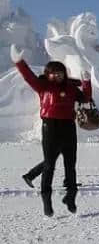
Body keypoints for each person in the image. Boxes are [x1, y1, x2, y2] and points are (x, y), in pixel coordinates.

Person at [11, 44, 91, 216]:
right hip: (50, 127)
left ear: (64, 74)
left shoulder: (71, 88)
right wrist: (19, 62)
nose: (56, 75)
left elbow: (85, 98)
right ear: (48, 74)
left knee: (71, 165)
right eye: (53, 72)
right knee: (49, 165)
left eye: (60, 72)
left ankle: (71, 196)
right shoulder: (43, 86)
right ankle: (47, 201)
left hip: (69, 127)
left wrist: (86, 82)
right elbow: (29, 77)